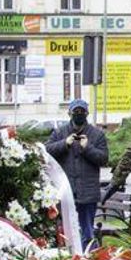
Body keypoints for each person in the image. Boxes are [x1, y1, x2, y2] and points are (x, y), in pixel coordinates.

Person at [46, 99, 109, 249]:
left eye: (82, 112)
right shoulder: (60, 132)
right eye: (76, 112)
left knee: (87, 232)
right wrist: (64, 144)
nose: (79, 114)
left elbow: (104, 159)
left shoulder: (97, 135)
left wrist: (87, 148)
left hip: (87, 194)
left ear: (87, 113)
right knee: (64, 232)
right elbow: (46, 151)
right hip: (66, 193)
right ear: (70, 113)